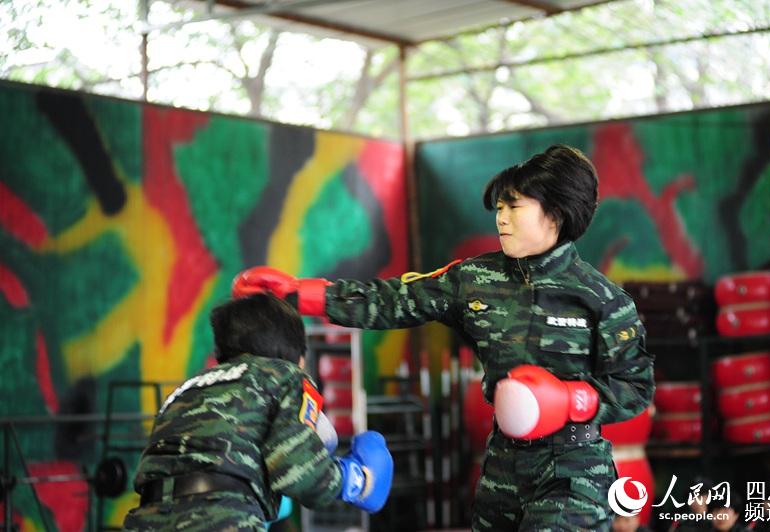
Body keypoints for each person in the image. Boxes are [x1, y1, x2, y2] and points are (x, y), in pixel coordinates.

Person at [233, 144, 655, 530]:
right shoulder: (473, 278)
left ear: (555, 213)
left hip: (574, 469)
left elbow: (636, 387)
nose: (501, 218)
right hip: (504, 465)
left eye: (514, 206)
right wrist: (302, 294)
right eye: (499, 207)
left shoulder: (602, 299)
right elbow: (394, 299)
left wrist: (572, 400)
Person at [122, 293, 393, 531]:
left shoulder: (186, 389)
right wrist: (356, 479)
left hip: (146, 519)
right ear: (296, 354)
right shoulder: (285, 374)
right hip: (222, 517)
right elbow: (297, 470)